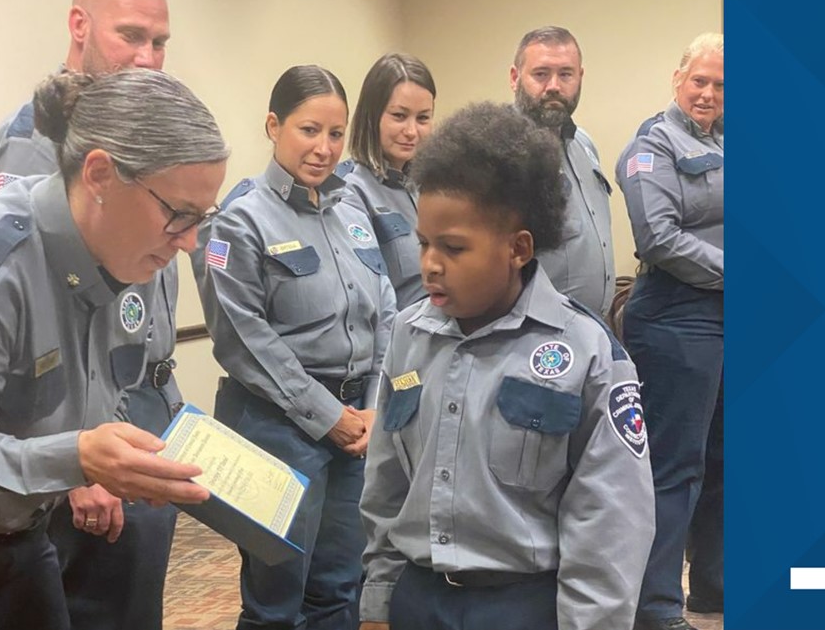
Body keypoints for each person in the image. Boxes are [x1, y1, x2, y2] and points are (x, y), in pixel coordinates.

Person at [358, 102, 655, 630]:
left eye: (453, 247)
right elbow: (386, 483)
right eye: (424, 242)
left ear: (518, 248)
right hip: (419, 599)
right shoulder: (408, 334)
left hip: (524, 605)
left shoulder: (588, 354)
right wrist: (379, 602)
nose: (429, 263)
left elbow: (610, 524)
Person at [0, 69, 227, 630]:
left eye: (201, 219)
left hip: (22, 534)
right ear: (100, 173)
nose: (189, 243)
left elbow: (111, 394)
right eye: (178, 214)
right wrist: (77, 459)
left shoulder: (128, 258)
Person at [192, 65, 397, 630]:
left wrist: (375, 404)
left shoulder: (351, 211)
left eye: (336, 134)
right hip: (279, 428)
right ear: (273, 126)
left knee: (339, 587)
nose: (324, 148)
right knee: (276, 598)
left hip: (357, 425)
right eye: (309, 130)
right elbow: (242, 339)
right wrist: (329, 417)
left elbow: (385, 311)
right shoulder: (238, 221)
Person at [615, 32, 724, 630]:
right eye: (699, 80)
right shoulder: (651, 146)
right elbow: (657, 237)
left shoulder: (733, 142)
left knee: (725, 459)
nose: (708, 93)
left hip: (726, 317)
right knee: (674, 466)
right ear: (678, 78)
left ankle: (712, 588)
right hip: (676, 314)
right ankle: (655, 605)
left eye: (721, 85)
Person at [509, 26, 615, 316]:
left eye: (565, 74)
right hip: (530, 337)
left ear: (580, 77)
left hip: (592, 330)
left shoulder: (584, 144)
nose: (554, 85)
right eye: (541, 74)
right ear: (515, 78)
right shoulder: (500, 151)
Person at [336, 53, 436, 309]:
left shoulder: (434, 184)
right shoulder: (348, 192)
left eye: (423, 118)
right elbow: (373, 299)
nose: (412, 131)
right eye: (399, 116)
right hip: (404, 337)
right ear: (372, 117)